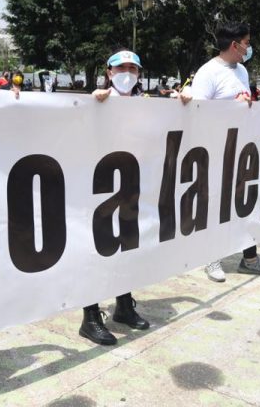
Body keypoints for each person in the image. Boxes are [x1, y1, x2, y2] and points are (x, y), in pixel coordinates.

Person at [179, 22, 260, 282]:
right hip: (215, 151)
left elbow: (244, 104)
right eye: (246, 42)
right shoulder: (208, 73)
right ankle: (211, 257)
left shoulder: (242, 71)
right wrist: (230, 109)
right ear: (234, 45)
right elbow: (198, 113)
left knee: (246, 203)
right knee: (215, 205)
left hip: (241, 148)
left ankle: (250, 258)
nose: (249, 47)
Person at [79, 49, 151, 346]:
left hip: (131, 186)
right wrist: (92, 106)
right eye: (121, 68)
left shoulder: (146, 106)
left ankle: (124, 305)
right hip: (98, 187)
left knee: (128, 247)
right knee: (96, 249)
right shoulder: (96, 99)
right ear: (109, 72)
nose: (127, 73)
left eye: (133, 69)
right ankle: (91, 316)